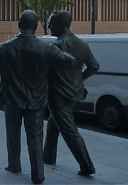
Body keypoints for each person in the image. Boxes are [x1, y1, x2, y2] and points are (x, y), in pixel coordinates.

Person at [0, 10, 74, 184]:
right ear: (35, 27)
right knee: (35, 137)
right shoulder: (47, 48)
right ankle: (38, 173)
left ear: (19, 25)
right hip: (36, 100)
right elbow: (69, 60)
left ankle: (14, 165)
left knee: (12, 134)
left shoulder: (4, 48)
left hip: (11, 100)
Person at [43, 10, 100, 177]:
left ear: (61, 25)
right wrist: (79, 79)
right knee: (53, 125)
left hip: (58, 94)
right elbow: (94, 66)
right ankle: (48, 157)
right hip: (75, 93)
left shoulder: (56, 46)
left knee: (69, 131)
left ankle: (87, 166)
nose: (49, 26)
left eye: (52, 23)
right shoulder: (82, 44)